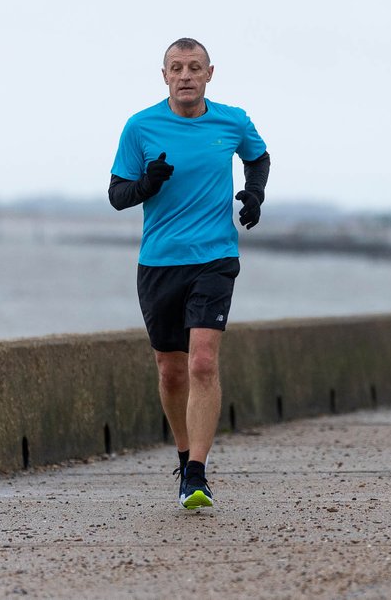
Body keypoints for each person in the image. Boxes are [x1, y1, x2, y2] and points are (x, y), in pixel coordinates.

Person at [107, 37, 271, 508]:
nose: (185, 75)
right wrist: (146, 184)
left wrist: (254, 194)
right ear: (164, 76)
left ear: (209, 74)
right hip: (159, 262)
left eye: (194, 67)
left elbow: (257, 156)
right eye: (176, 67)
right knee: (171, 369)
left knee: (202, 361)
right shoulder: (140, 127)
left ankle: (196, 475)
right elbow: (117, 194)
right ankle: (183, 455)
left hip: (215, 257)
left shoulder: (232, 120)